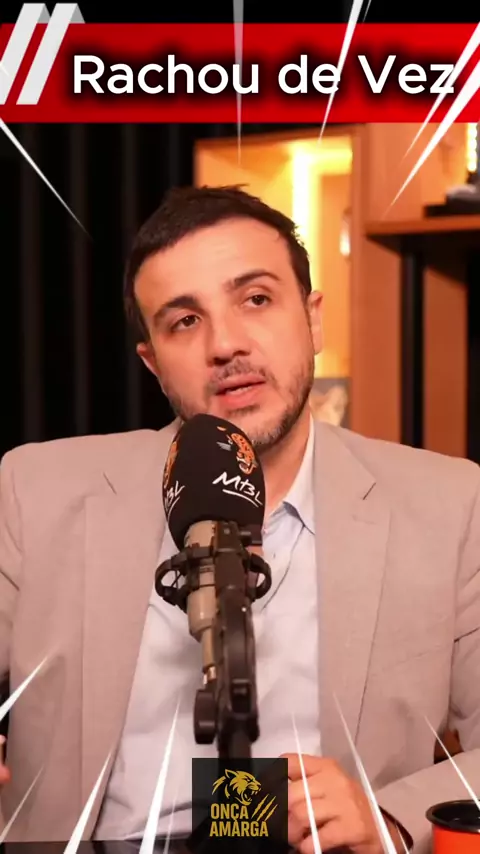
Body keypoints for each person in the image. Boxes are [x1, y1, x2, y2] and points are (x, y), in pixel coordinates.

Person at [0, 185, 480, 854]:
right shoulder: (35, 491)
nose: (225, 344)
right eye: (184, 321)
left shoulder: (449, 504)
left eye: (255, 299)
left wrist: (390, 819)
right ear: (152, 362)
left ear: (312, 319)